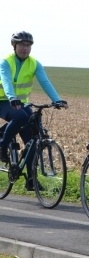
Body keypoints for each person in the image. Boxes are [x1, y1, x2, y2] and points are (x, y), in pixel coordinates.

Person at [0, 31, 68, 190]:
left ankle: (31, 179)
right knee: (21, 117)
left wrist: (57, 99)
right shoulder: (6, 62)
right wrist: (12, 97)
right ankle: (2, 146)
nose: (25, 48)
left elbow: (45, 82)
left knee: (34, 138)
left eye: (28, 45)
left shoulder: (34, 64)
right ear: (14, 46)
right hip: (3, 100)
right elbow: (6, 81)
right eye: (22, 45)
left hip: (21, 103)